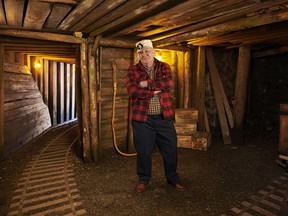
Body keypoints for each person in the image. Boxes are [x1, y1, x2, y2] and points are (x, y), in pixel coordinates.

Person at [126, 39, 185, 193]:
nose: (144, 54)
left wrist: (145, 84)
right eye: (141, 52)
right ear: (138, 55)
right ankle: (144, 179)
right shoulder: (133, 71)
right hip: (142, 121)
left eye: (146, 51)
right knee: (144, 152)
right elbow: (133, 92)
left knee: (170, 150)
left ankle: (173, 178)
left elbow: (168, 83)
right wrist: (155, 89)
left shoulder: (164, 66)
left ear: (153, 51)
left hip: (164, 117)